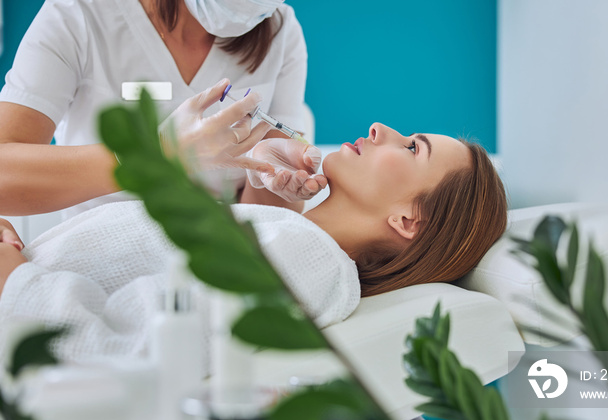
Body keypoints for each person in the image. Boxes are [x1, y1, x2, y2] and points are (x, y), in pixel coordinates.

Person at [0, 122, 507, 361]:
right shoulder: (296, 241)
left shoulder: (309, 261)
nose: (381, 128)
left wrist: (13, 276)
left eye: (411, 147)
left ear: (408, 221)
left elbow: (125, 348)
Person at [0, 0, 312, 217]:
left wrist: (270, 178)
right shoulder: (77, 15)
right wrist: (155, 155)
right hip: (100, 256)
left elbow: (273, 222)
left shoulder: (281, 31)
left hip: (219, 268)